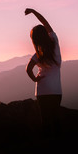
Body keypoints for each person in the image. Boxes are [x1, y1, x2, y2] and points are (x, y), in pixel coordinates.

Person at [25, 8, 62, 138]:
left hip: (41, 91)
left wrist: (35, 79)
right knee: (55, 119)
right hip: (56, 91)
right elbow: (45, 23)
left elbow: (28, 69)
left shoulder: (37, 55)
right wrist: (33, 11)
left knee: (45, 121)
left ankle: (46, 146)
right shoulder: (54, 43)